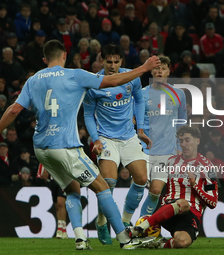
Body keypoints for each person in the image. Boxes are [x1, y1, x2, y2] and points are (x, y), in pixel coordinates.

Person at [0, 39, 160, 250]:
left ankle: (80, 239)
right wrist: (144, 68)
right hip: (65, 146)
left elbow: (13, 110)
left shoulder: (33, 80)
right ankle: (125, 239)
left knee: (72, 189)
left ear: (44, 59)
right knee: (103, 186)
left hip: (41, 149)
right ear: (65, 56)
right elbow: (112, 82)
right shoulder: (75, 74)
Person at [83, 43, 152, 245]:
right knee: (109, 182)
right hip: (106, 138)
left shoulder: (131, 78)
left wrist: (140, 129)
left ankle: (124, 222)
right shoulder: (94, 83)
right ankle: (102, 221)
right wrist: (95, 139)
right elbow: (87, 114)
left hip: (129, 136)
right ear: (101, 60)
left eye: (116, 61)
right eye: (108, 61)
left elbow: (139, 101)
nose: (112, 66)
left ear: (121, 61)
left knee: (141, 178)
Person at [130, 125, 218, 249]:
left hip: (191, 215)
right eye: (181, 141)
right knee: (183, 203)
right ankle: (138, 228)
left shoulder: (208, 167)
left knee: (182, 242)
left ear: (197, 141)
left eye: (187, 140)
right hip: (169, 210)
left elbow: (213, 202)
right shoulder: (170, 161)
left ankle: (157, 244)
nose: (183, 144)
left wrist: (195, 185)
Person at [139, 56, 187, 218]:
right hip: (143, 150)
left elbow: (182, 123)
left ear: (169, 71)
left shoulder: (178, 94)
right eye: (157, 68)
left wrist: (180, 148)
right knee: (138, 186)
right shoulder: (142, 93)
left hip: (166, 151)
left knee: (156, 190)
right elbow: (132, 119)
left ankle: (140, 226)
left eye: (163, 68)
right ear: (151, 70)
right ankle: (125, 222)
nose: (160, 71)